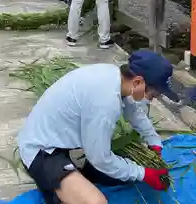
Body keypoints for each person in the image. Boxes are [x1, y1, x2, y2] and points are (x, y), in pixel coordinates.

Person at [18, 50, 178, 204]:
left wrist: (153, 140)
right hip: (42, 151)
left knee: (116, 175)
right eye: (153, 95)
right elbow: (100, 158)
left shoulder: (115, 76)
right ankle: (58, 186)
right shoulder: (105, 103)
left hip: (60, 140)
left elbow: (133, 111)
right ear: (137, 82)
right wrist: (143, 174)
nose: (151, 100)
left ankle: (79, 177)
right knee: (96, 201)